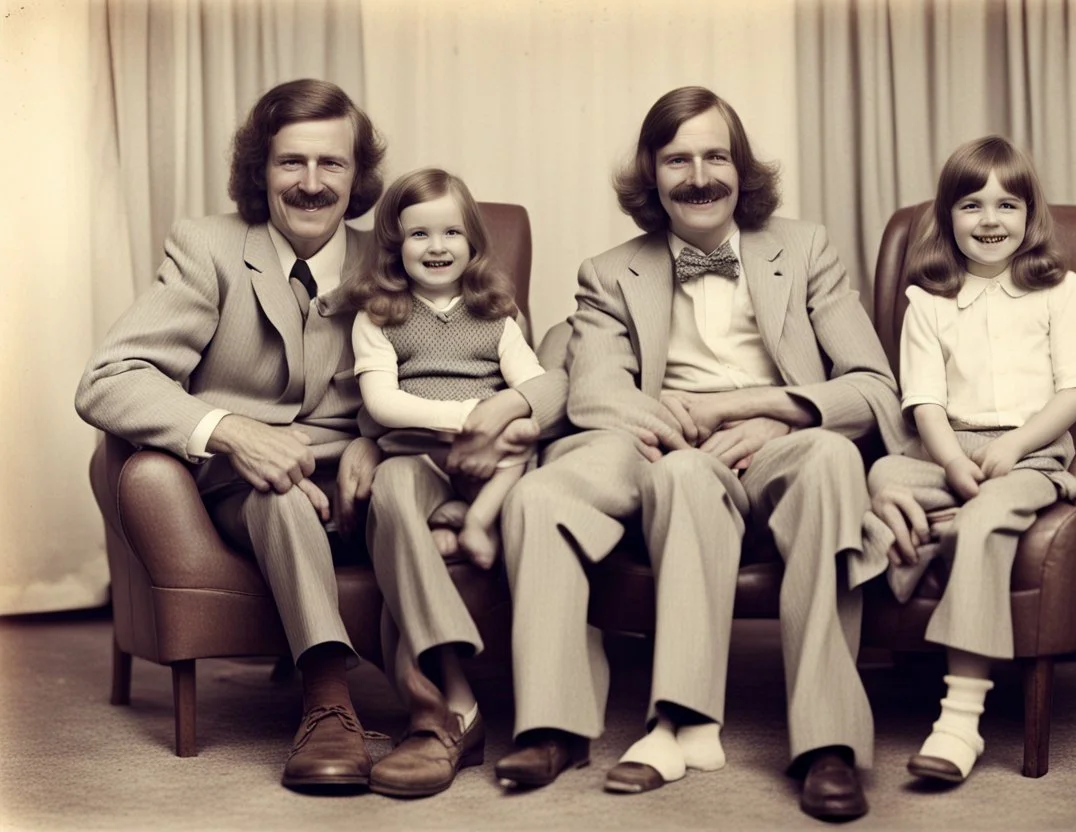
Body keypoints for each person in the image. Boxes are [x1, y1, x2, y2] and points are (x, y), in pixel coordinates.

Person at [75, 79, 539, 797]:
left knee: (393, 492)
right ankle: (328, 705)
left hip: (364, 474)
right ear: (260, 171)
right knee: (280, 493)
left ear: (359, 177)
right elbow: (108, 378)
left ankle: (441, 706)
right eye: (292, 162)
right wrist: (231, 431)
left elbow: (449, 367)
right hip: (240, 485)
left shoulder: (393, 257)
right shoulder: (209, 247)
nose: (312, 183)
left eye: (333, 164)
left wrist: (371, 439)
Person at [494, 86, 909, 823]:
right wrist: (679, 427)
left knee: (832, 462)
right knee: (540, 495)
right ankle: (556, 724)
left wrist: (767, 411)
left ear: (741, 169)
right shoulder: (609, 270)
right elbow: (593, 395)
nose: (699, 175)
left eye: (716, 155)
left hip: (783, 440)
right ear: (652, 174)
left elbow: (874, 387)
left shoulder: (804, 248)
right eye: (678, 158)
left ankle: (828, 743)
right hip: (661, 438)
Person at [861, 135, 1076, 784]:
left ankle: (959, 719)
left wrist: (1013, 446)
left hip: (1030, 451)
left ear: (1031, 216)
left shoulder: (1062, 291)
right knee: (878, 477)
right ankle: (933, 530)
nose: (990, 221)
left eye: (1007, 205)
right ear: (947, 220)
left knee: (982, 519)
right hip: (945, 448)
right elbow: (925, 403)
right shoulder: (928, 302)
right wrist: (951, 462)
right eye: (971, 206)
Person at [344, 167, 567, 797]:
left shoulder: (497, 315)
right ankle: (452, 689)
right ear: (394, 244)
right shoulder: (379, 316)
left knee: (526, 452)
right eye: (419, 234)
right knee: (389, 488)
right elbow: (384, 405)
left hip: (490, 462)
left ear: (473, 243)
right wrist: (469, 417)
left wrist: (504, 421)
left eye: (450, 232)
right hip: (417, 458)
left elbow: (535, 386)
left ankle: (471, 522)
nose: (436, 246)